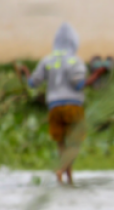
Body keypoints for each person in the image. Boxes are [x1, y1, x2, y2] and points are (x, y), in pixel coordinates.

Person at [14, 23, 106, 185]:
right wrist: (97, 75)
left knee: (62, 145)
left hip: (54, 108)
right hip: (73, 107)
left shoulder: (47, 60)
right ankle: (61, 170)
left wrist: (25, 72)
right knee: (76, 143)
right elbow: (78, 84)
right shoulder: (75, 61)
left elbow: (32, 83)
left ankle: (67, 178)